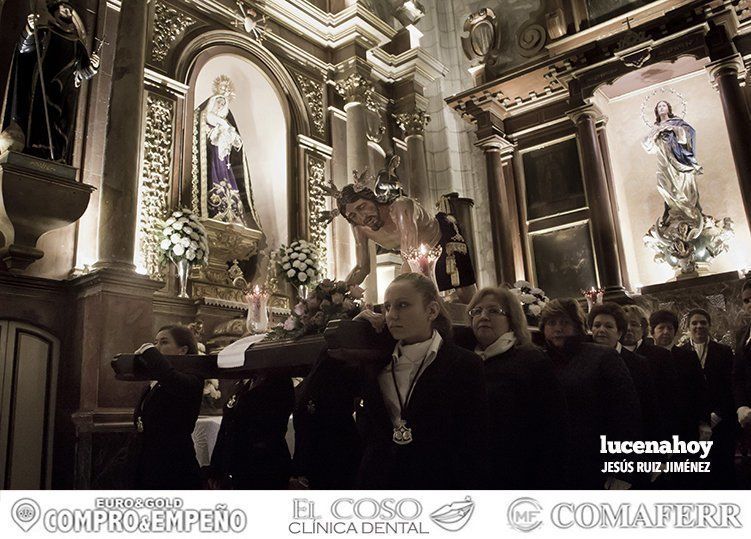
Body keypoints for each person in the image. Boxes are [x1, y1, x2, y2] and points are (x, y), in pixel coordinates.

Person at [353, 272, 488, 488]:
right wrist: (353, 329)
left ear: (431, 310)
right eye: (387, 307)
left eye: (402, 305)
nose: (392, 315)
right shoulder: (376, 363)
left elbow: (473, 441)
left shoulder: (464, 364)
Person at [465, 286, 569, 488]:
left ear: (511, 319)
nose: (483, 316)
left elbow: (554, 429)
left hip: (520, 475)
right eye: (476, 311)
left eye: (494, 311)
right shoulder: (466, 360)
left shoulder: (531, 360)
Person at [324, 175, 477, 303]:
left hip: (442, 241)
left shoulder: (400, 207)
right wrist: (337, 294)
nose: (362, 217)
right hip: (416, 258)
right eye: (353, 216)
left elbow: (410, 254)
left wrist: (395, 296)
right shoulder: (359, 227)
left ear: (372, 199)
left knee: (466, 296)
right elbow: (362, 267)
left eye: (362, 207)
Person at [540, 298, 641, 489]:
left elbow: (626, 416)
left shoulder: (602, 356)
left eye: (564, 322)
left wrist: (623, 471)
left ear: (577, 326)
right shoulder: (539, 360)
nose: (557, 329)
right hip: (554, 467)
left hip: (595, 465)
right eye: (551, 323)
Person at [0, 1, 99, 162]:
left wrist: (93, 67)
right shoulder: (44, 32)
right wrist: (30, 30)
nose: (68, 10)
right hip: (40, 89)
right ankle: (34, 152)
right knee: (37, 122)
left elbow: (80, 73)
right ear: (55, 9)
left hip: (62, 96)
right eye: (64, 6)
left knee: (58, 129)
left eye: (70, 8)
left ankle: (55, 157)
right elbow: (24, 49)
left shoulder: (77, 44)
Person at [130, 325, 203, 489]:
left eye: (163, 342)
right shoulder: (157, 381)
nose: (157, 347)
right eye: (155, 342)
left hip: (173, 466)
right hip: (147, 462)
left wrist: (150, 354)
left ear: (183, 350)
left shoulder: (193, 378)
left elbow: (173, 380)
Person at [677, 308, 737, 488]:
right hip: (695, 423)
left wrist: (716, 415)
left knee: (723, 467)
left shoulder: (724, 351)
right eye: (694, 323)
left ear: (709, 325)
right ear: (687, 328)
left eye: (703, 322)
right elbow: (683, 391)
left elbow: (730, 385)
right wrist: (700, 418)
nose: (699, 326)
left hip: (722, 419)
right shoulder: (680, 353)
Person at [589, 303, 662, 444]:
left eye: (608, 326)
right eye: (596, 325)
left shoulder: (638, 363)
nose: (601, 330)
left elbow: (650, 410)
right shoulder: (584, 360)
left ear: (619, 332)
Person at [208, 373, 294, 489]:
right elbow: (227, 425)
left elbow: (266, 428)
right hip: (238, 465)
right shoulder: (245, 383)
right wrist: (217, 468)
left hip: (263, 467)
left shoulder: (279, 383)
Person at [649, 309, 709, 442]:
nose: (666, 332)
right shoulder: (644, 358)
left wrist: (704, 421)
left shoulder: (688, 356)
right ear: (652, 331)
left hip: (686, 424)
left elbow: (700, 390)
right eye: (661, 328)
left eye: (669, 328)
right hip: (657, 426)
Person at [734, 280, 751, 430]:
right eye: (746, 301)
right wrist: (741, 405)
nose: (750, 304)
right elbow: (738, 374)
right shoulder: (742, 334)